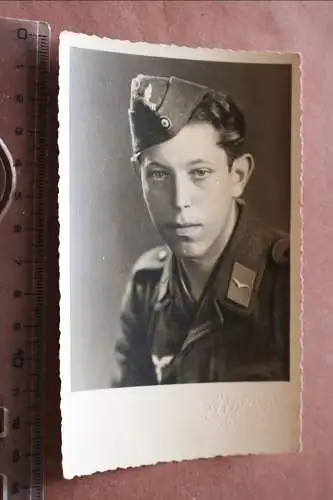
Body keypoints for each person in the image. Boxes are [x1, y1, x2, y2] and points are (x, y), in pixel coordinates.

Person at [112, 74, 290, 387]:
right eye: (158, 175)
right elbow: (125, 417)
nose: (180, 201)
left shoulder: (289, 282)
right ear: (138, 176)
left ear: (238, 175)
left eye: (200, 173)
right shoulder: (146, 287)